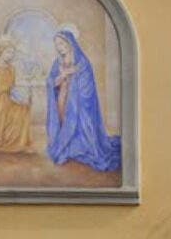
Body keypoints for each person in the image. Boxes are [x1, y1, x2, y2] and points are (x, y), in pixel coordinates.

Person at [45, 29, 121, 172]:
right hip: (62, 97)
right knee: (63, 120)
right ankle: (66, 147)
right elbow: (51, 81)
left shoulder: (82, 62)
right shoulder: (58, 62)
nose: (59, 47)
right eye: (57, 45)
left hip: (77, 102)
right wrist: (60, 78)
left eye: (61, 44)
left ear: (69, 43)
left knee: (76, 122)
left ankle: (78, 148)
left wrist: (74, 77)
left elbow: (88, 86)